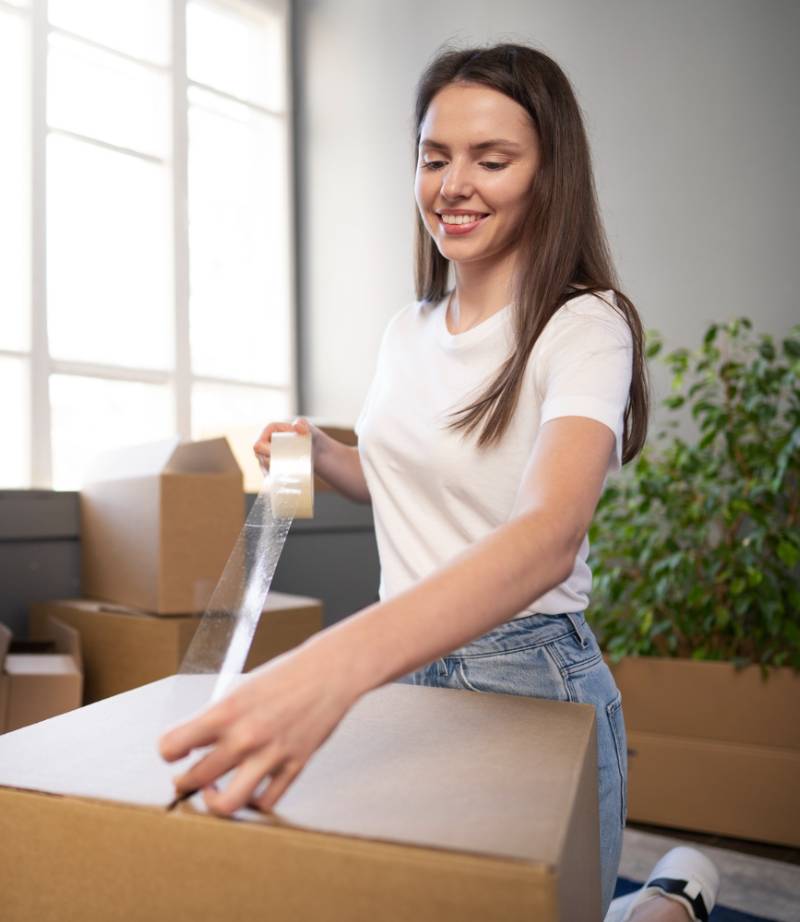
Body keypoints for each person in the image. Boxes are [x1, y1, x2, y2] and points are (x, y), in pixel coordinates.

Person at [159, 43, 718, 920]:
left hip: (530, 672)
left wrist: (333, 667)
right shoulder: (405, 331)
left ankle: (673, 900)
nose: (454, 184)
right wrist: (324, 456)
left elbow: (547, 534)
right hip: (411, 679)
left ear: (549, 173)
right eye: (435, 157)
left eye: (492, 160)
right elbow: (408, 484)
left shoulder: (585, 327)